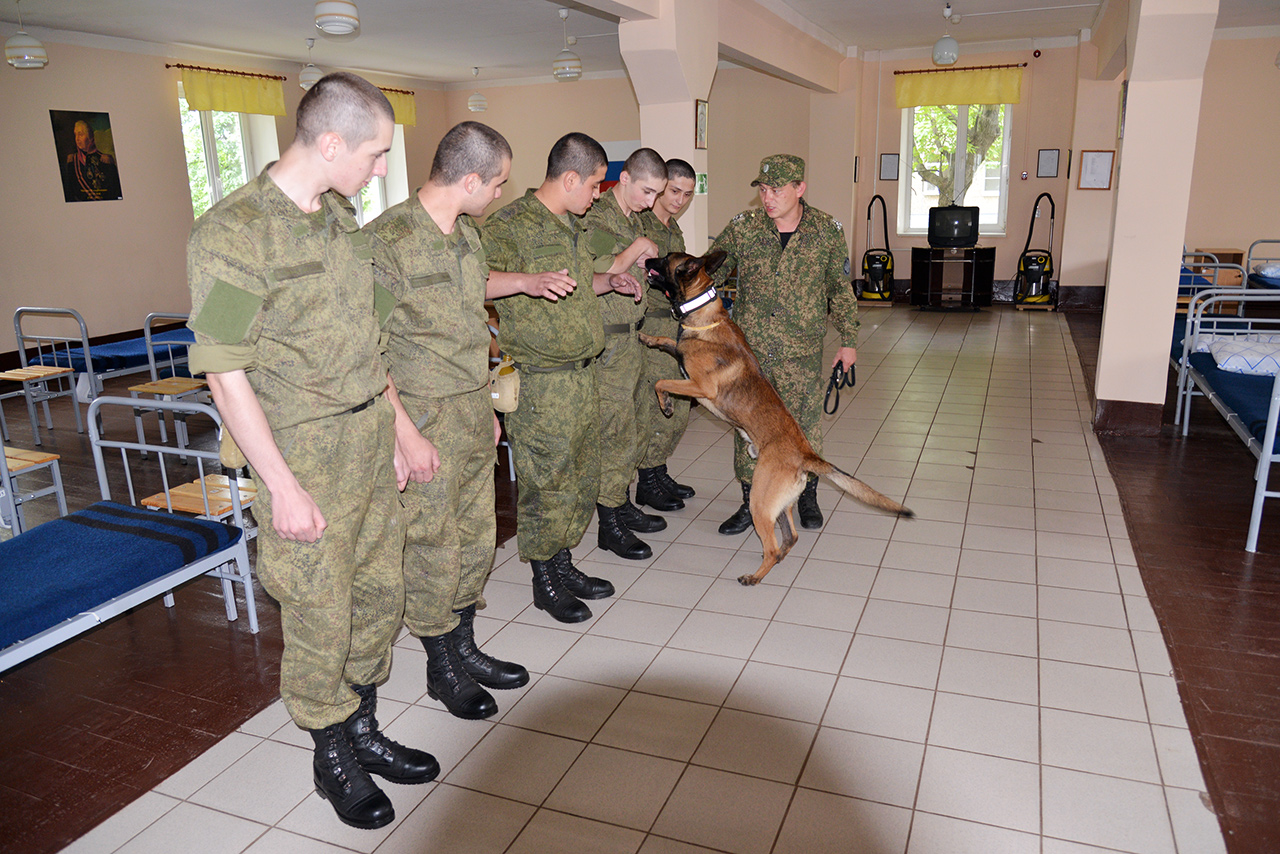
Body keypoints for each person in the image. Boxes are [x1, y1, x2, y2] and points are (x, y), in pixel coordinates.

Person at [186, 72, 437, 832]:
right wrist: (283, 487)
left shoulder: (341, 221)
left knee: (376, 594)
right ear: (330, 144)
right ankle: (332, 749)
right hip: (303, 456)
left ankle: (362, 724)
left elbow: (369, 337)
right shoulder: (233, 234)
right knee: (321, 611)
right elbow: (225, 373)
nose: (383, 168)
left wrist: (393, 427)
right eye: (377, 153)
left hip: (365, 440)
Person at [368, 121, 529, 722]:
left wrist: (485, 405)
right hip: (421, 416)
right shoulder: (387, 242)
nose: (498, 195)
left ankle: (464, 645)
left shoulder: (465, 236)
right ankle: (441, 664)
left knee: (475, 532)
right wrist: (404, 433)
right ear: (468, 179)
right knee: (433, 544)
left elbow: (470, 327)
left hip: (467, 408)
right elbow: (368, 347)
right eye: (497, 185)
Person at [480, 132, 642, 623]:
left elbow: (573, 283)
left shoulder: (573, 224)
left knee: (578, 476)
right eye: (594, 185)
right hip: (542, 380)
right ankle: (545, 580)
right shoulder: (509, 226)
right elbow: (477, 280)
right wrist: (526, 283)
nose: (597, 195)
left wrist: (607, 280)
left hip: (583, 374)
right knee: (546, 483)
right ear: (569, 178)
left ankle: (563, 563)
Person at [709, 154, 859, 534]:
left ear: (799, 189)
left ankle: (806, 495)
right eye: (762, 189)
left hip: (800, 352)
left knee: (803, 425)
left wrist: (849, 341)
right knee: (748, 428)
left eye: (776, 189)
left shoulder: (826, 230)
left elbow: (839, 290)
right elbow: (712, 270)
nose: (768, 197)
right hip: (751, 354)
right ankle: (749, 501)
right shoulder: (743, 229)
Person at [581, 148, 669, 560]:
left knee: (633, 427)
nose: (651, 203)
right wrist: (637, 247)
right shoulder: (597, 216)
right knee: (613, 433)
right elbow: (603, 268)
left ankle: (622, 502)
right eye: (647, 191)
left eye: (657, 194)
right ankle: (609, 524)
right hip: (609, 344)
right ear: (626, 178)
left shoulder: (634, 217)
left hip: (634, 337)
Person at [634, 158, 698, 510]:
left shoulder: (674, 229)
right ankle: (647, 479)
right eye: (675, 191)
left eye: (687, 194)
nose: (679, 200)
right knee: (654, 404)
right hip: (652, 323)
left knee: (679, 404)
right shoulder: (640, 223)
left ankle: (659, 470)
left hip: (676, 324)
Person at [61, 119, 122, 202]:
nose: (77, 139)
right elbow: (69, 192)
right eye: (75, 135)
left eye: (81, 134)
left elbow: (115, 191)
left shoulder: (106, 160)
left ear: (90, 137)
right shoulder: (72, 161)